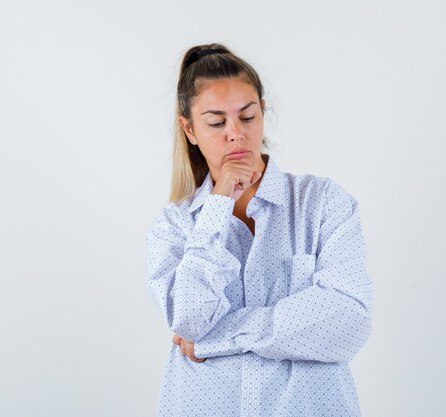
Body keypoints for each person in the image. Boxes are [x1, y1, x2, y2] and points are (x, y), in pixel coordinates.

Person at [146, 43, 374, 417]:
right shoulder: (173, 226)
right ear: (189, 129)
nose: (235, 134)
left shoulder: (324, 203)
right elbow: (189, 319)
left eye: (247, 117)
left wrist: (219, 337)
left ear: (263, 114)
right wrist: (218, 205)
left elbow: (349, 320)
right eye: (216, 122)